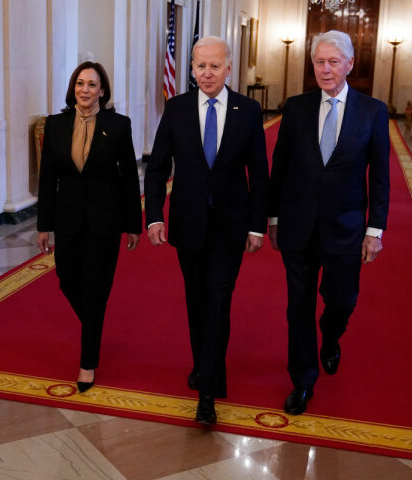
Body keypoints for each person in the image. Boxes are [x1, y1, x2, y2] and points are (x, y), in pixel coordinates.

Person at [144, 36, 269, 425]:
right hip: (188, 223)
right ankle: (204, 364)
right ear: (192, 69)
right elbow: (158, 167)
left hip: (231, 225)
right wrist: (154, 216)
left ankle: (208, 393)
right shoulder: (177, 108)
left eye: (215, 66)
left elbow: (260, 174)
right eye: (200, 66)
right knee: (196, 301)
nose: (207, 73)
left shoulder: (248, 110)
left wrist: (257, 226)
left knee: (218, 301)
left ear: (228, 68)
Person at [268, 30, 390, 415]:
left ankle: (331, 335)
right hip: (298, 225)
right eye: (319, 61)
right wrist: (272, 217)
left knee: (342, 300)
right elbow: (280, 167)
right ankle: (303, 380)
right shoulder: (297, 107)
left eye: (333, 62)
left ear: (350, 64)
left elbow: (381, 176)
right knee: (297, 306)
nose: (325, 69)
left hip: (347, 227)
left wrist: (375, 229)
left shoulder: (372, 111)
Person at [37, 61, 142, 393]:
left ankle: (87, 363)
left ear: (103, 91)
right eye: (80, 83)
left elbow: (128, 177)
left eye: (92, 84)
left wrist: (133, 224)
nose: (85, 90)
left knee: (96, 289)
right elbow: (47, 178)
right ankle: (93, 325)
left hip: (104, 221)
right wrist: (44, 223)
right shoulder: (54, 125)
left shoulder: (118, 125)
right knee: (67, 279)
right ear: (73, 88)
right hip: (67, 218)